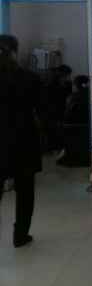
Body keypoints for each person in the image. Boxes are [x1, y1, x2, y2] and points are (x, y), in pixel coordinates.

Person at [0, 35, 43, 247]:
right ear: (15, 52)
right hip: (24, 140)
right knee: (25, 191)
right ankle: (20, 235)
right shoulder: (29, 78)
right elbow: (43, 109)